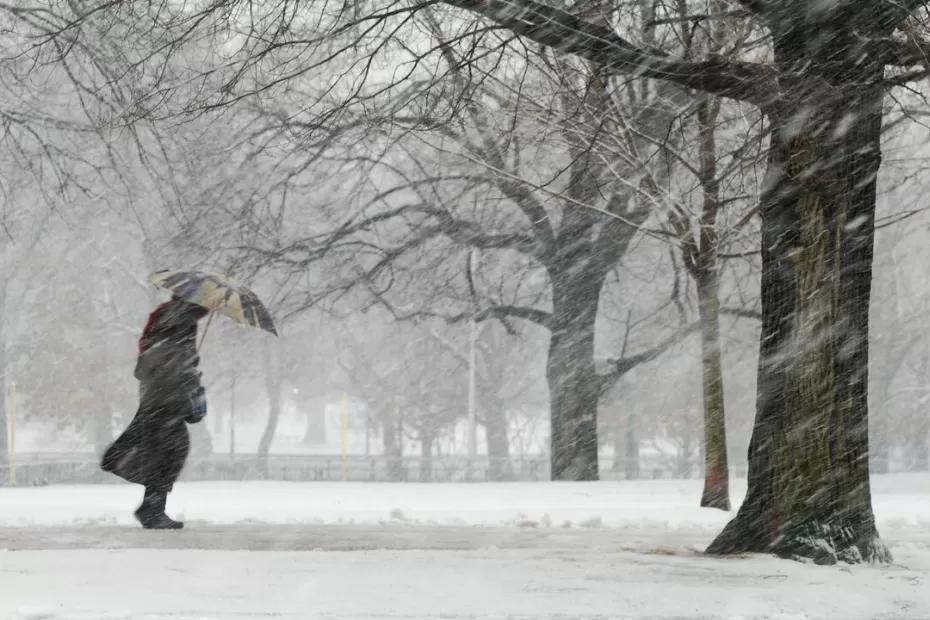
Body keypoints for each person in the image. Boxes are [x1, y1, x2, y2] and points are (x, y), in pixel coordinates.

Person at [102, 296, 209, 529]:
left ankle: (151, 508)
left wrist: (187, 369)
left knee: (163, 454)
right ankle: (151, 508)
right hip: (167, 400)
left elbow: (147, 366)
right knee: (170, 453)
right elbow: (178, 364)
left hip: (156, 399)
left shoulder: (167, 318)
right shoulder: (183, 321)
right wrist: (191, 381)